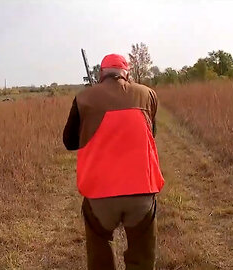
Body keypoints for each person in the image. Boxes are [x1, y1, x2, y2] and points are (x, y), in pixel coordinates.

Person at [63, 54, 165, 270]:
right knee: (142, 256)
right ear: (126, 73)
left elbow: (69, 142)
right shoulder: (148, 94)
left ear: (101, 74)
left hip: (99, 195)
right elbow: (151, 133)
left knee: (100, 248)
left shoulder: (83, 98)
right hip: (142, 192)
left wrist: (91, 124)